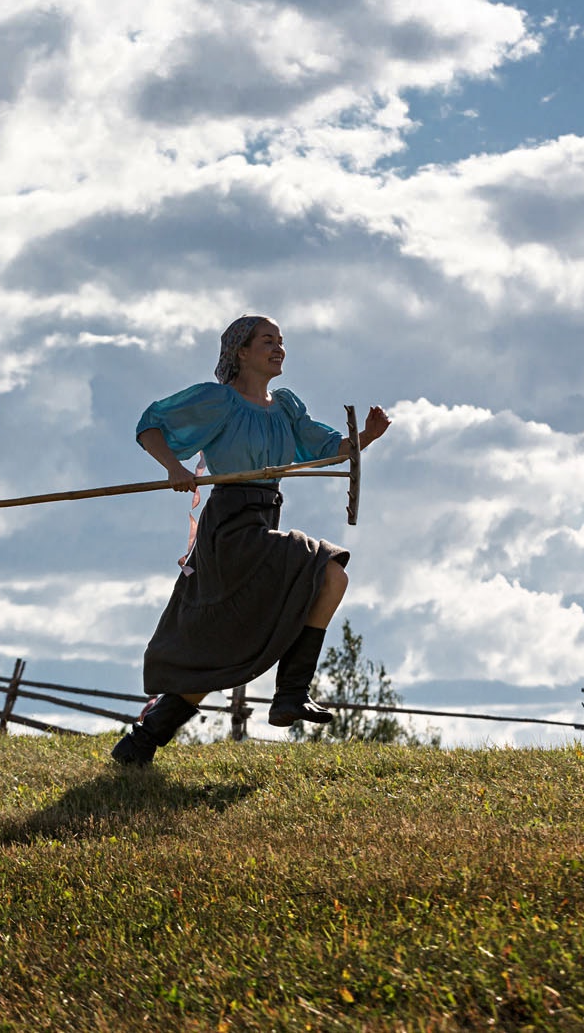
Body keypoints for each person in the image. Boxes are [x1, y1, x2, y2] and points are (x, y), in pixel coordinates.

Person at [111, 314, 391, 766]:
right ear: (241, 351)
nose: (278, 347)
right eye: (267, 340)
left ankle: (138, 745)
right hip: (230, 528)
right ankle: (292, 693)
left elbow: (327, 448)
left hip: (261, 519)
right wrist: (175, 468)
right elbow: (151, 424)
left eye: (281, 341)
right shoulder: (217, 401)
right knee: (327, 570)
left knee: (221, 645)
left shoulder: (285, 409)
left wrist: (364, 439)